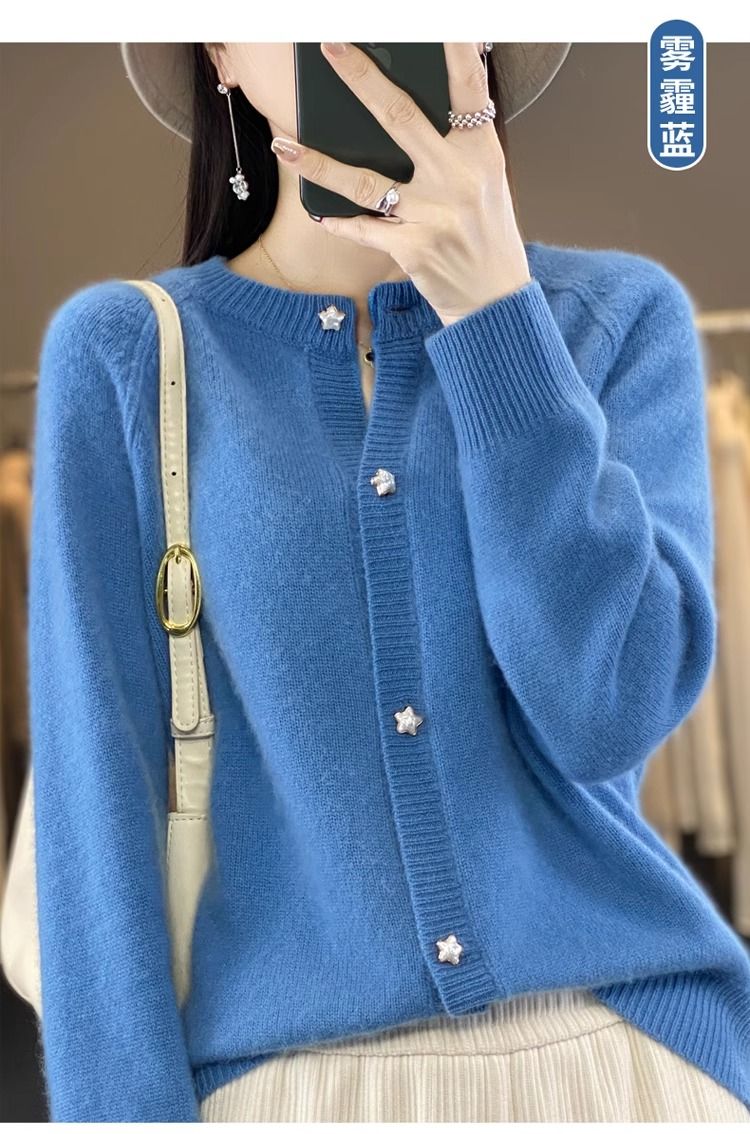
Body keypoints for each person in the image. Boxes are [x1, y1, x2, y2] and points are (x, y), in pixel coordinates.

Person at [27, 41, 750, 1122]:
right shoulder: (124, 354)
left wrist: (496, 317)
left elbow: (609, 714)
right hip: (287, 1087)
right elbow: (95, 812)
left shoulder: (616, 319)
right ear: (220, 51)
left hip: (630, 1056)